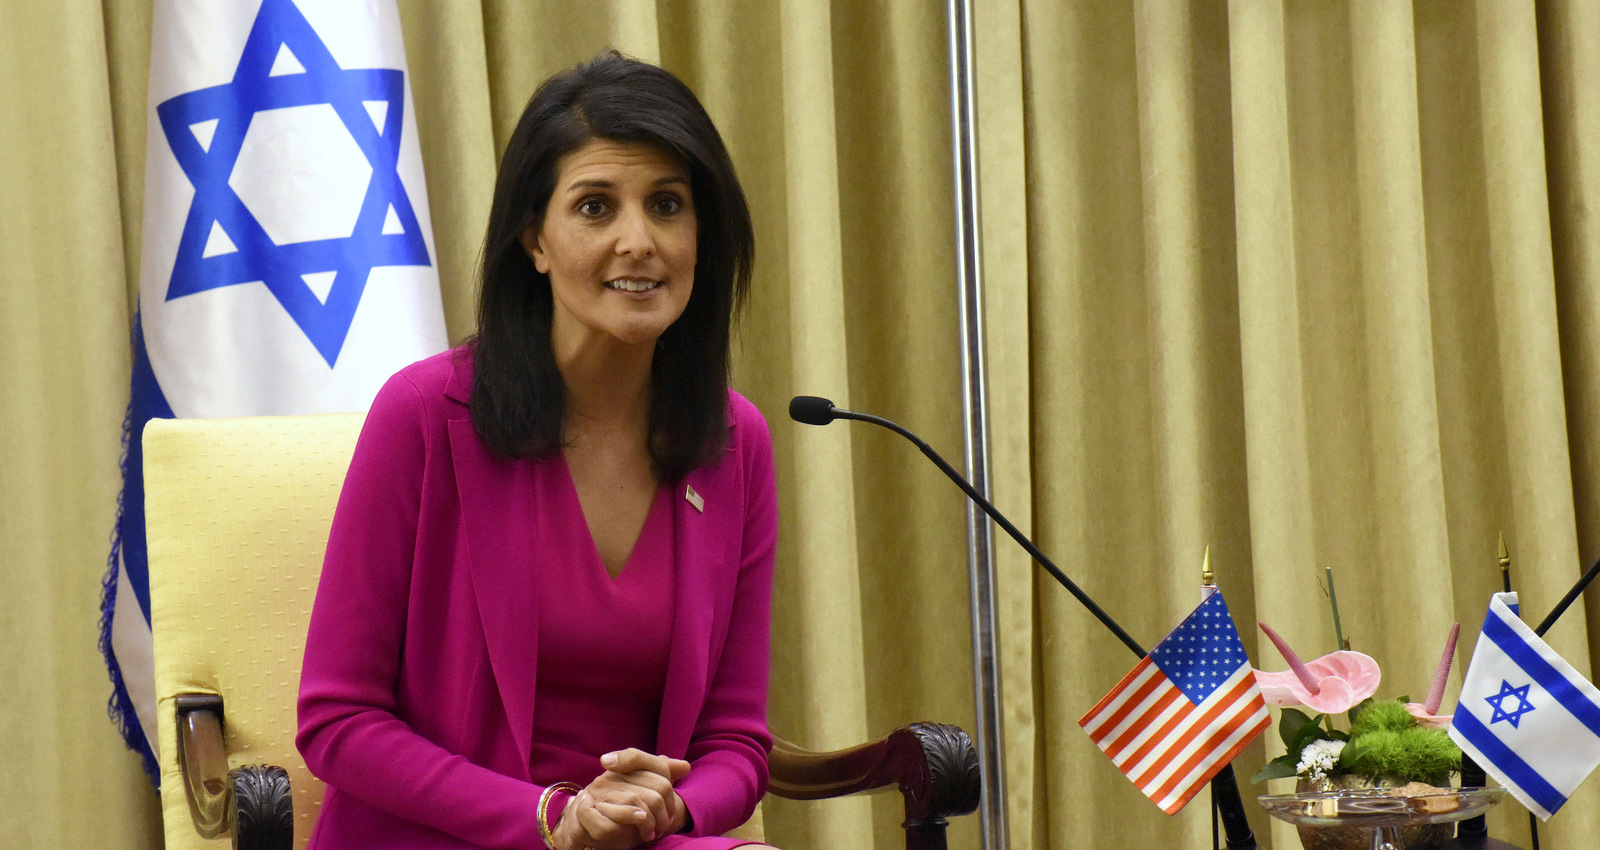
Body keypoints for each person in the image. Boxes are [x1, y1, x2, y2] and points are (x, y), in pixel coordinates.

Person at [297, 50, 778, 850]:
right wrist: (554, 816)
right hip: (442, 836)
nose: (639, 241)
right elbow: (337, 721)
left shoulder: (735, 443)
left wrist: (667, 809)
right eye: (595, 207)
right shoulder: (422, 416)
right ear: (535, 239)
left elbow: (736, 740)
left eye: (667, 204)